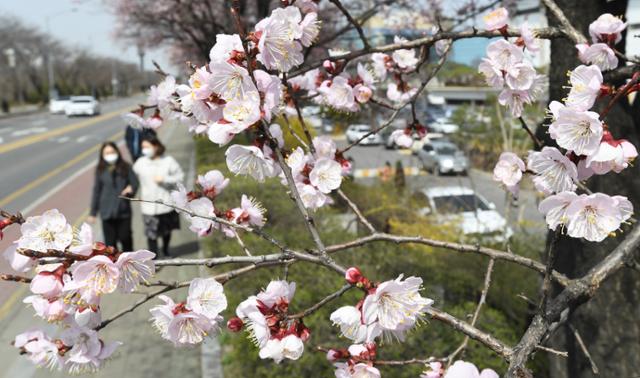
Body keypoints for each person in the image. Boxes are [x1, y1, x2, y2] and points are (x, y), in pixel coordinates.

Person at [133, 136, 184, 257]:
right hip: (149, 206)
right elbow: (132, 178)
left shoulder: (168, 161)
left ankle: (166, 250)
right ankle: (154, 258)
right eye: (143, 147)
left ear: (156, 146)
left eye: (147, 147)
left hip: (166, 204)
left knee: (167, 231)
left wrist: (165, 179)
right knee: (151, 234)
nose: (144, 150)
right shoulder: (140, 163)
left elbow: (180, 177)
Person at [88, 142, 139, 251]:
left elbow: (135, 183)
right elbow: (97, 190)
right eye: (106, 153)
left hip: (123, 210)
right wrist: (93, 213)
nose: (110, 155)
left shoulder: (126, 166)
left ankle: (128, 261)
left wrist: (130, 189)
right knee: (110, 244)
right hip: (107, 211)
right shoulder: (100, 169)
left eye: (112, 152)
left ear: (117, 152)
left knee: (125, 238)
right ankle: (114, 265)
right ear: (102, 155)